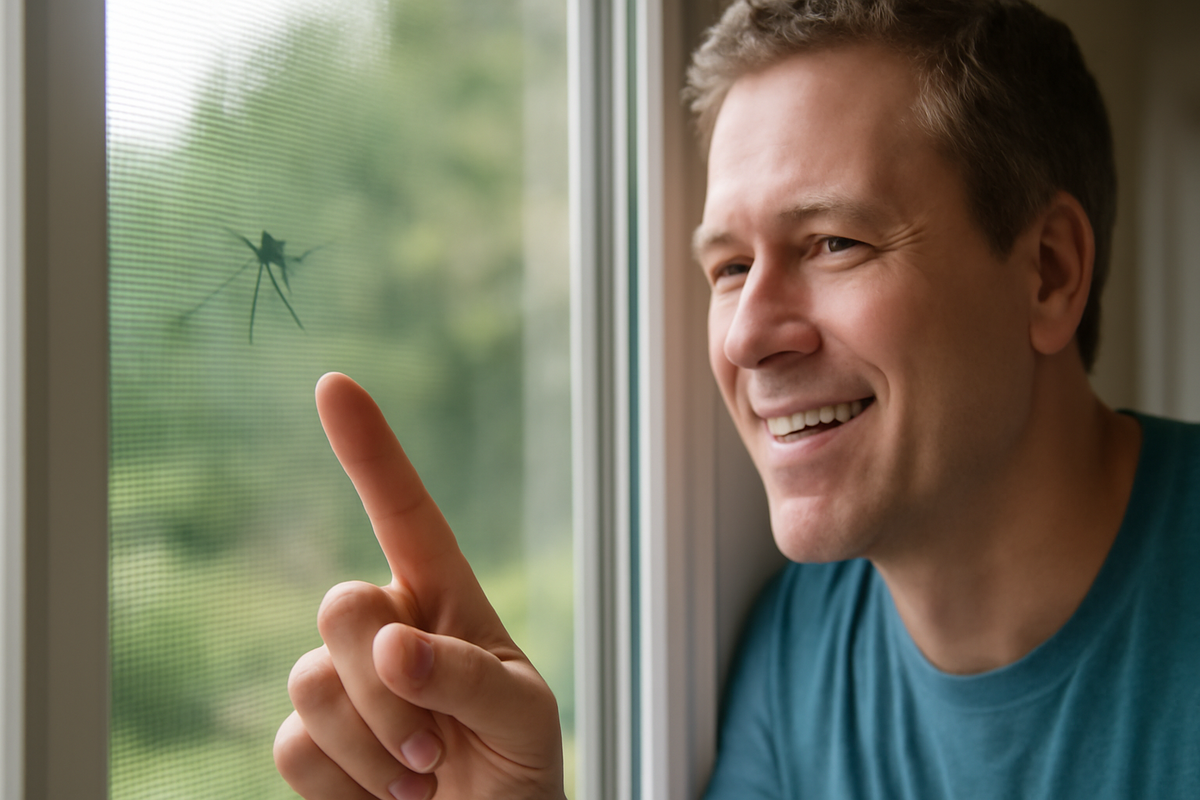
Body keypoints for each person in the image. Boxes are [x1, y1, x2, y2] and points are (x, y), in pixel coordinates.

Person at [273, 1, 1200, 798]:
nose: (746, 335)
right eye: (730, 266)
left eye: (835, 242)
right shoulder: (797, 648)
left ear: (1047, 273)